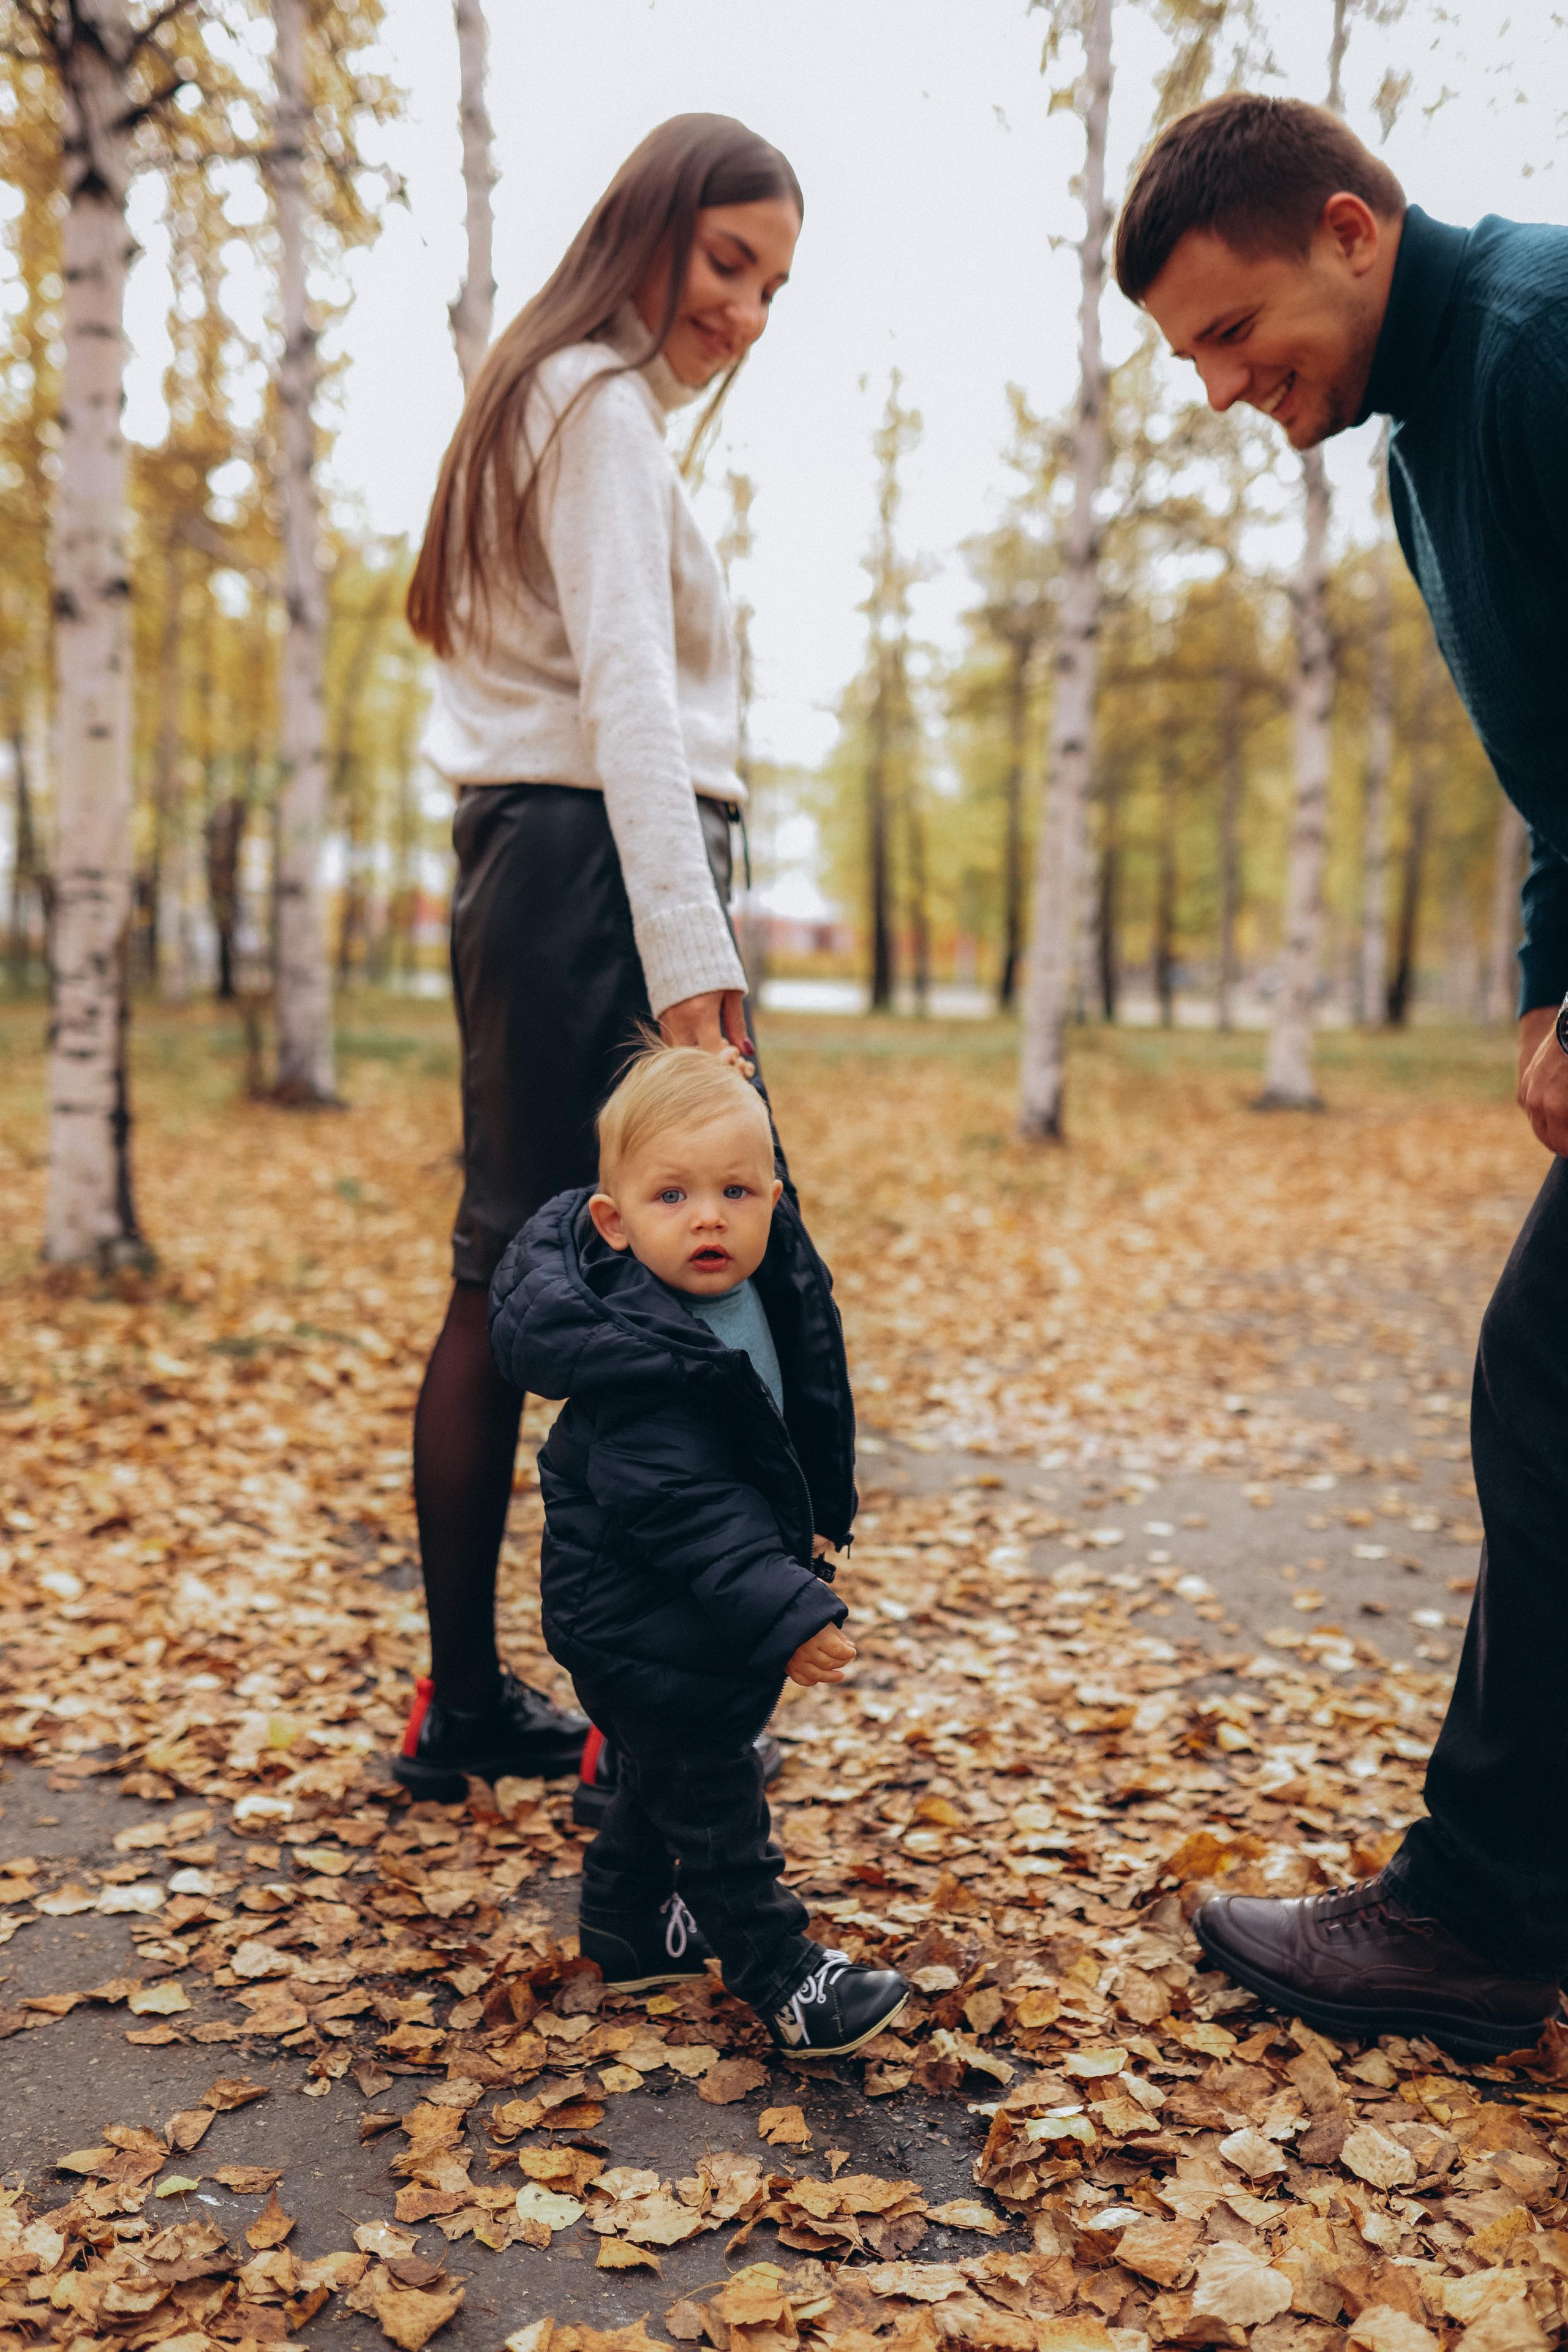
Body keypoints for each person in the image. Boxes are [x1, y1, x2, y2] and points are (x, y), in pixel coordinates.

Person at [1116, 91, 1568, 2060]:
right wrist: (1555, 989)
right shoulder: (1418, 439)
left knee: (1550, 1387)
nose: (1223, 388)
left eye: (1232, 333)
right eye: (1192, 358)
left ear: (1351, 231)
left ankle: (1477, 1916)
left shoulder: (1543, 348)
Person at [394, 116, 804, 1803]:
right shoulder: (600, 406)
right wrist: (691, 947)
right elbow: (632, 692)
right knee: (625, 1278)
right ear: (643, 230)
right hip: (593, 879)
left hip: (542, 867)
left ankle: (479, 1705)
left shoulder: (543, 395)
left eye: (775, 287)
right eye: (728, 264)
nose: (748, 315)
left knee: (522, 1273)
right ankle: (642, 1714)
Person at [488, 1045, 911, 2054]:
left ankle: (629, 1930)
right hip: (642, 1623)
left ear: (772, 1199)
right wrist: (791, 1610)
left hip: (687, 1617)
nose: (709, 1216)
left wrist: (738, 1093)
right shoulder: (642, 1360)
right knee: (716, 1798)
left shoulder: (755, 1283)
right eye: (671, 1195)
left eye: (734, 1190)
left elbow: (786, 1404)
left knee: (660, 1775)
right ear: (614, 1222)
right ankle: (782, 1974)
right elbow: (694, 1517)